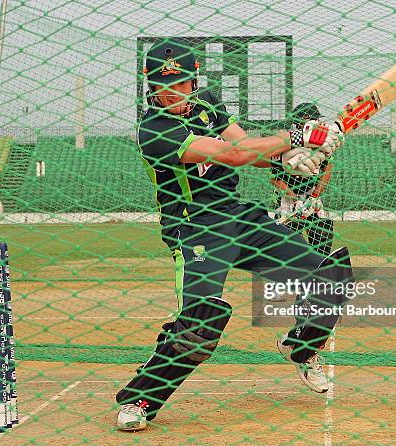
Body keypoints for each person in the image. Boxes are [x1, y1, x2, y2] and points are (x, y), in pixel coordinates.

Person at [116, 38, 353, 431]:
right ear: (149, 85)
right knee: (201, 321)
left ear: (194, 81)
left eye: (180, 84)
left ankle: (302, 345)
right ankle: (139, 400)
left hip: (237, 216)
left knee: (330, 273)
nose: (171, 93)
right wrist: (299, 138)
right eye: (162, 85)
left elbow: (244, 146)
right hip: (194, 228)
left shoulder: (208, 101)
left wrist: (286, 158)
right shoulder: (154, 129)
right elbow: (230, 155)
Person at [271, 102, 335, 256]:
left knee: (322, 238)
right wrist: (295, 199)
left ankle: (320, 275)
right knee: (290, 248)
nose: (317, 123)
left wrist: (314, 196)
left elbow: (327, 171)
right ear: (301, 122)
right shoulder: (285, 142)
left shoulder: (321, 143)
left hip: (311, 196)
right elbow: (274, 179)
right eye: (313, 120)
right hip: (287, 199)